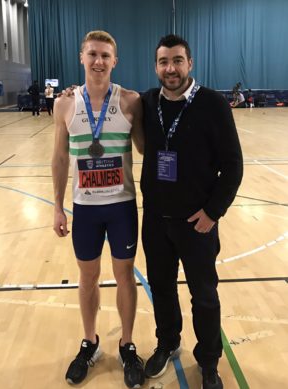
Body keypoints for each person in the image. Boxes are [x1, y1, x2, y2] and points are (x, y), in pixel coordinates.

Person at [140, 34, 243, 389]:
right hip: (155, 220)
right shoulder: (147, 101)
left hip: (196, 223)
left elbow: (233, 165)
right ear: (155, 66)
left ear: (190, 63)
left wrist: (213, 212)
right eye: (164, 62)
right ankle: (168, 342)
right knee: (162, 288)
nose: (171, 68)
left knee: (204, 295)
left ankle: (209, 360)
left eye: (177, 61)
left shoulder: (212, 104)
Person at [51, 30, 145, 389]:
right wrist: (58, 207)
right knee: (87, 277)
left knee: (125, 276)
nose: (98, 61)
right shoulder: (64, 104)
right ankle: (90, 342)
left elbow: (146, 151)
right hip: (85, 210)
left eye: (105, 55)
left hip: (121, 208)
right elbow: (59, 158)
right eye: (92, 54)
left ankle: (127, 345)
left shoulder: (131, 102)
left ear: (115, 61)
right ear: (81, 57)